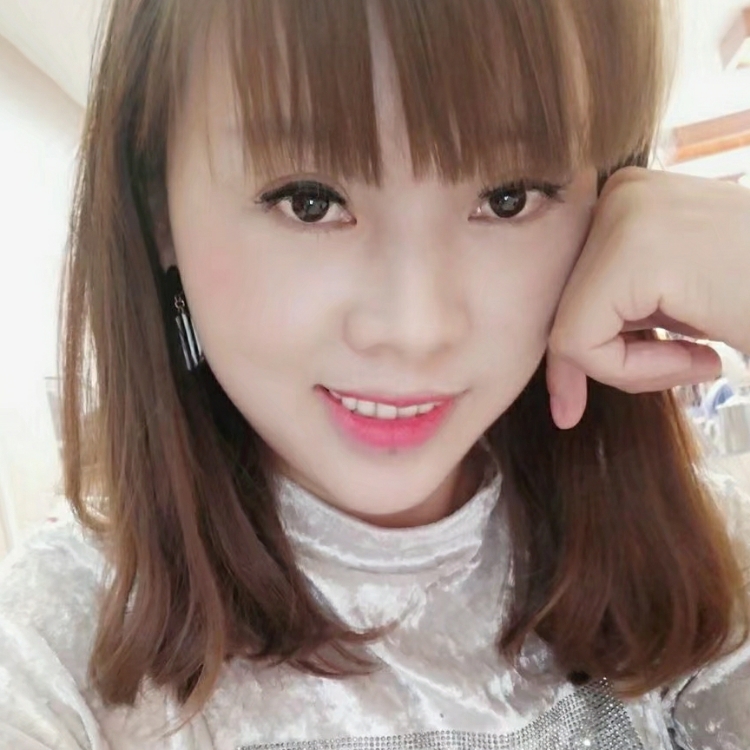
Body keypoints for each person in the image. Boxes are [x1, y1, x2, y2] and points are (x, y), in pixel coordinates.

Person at [2, 1, 750, 748]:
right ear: (159, 208)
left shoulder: (693, 557)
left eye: (507, 198)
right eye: (309, 201)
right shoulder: (59, 643)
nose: (414, 328)